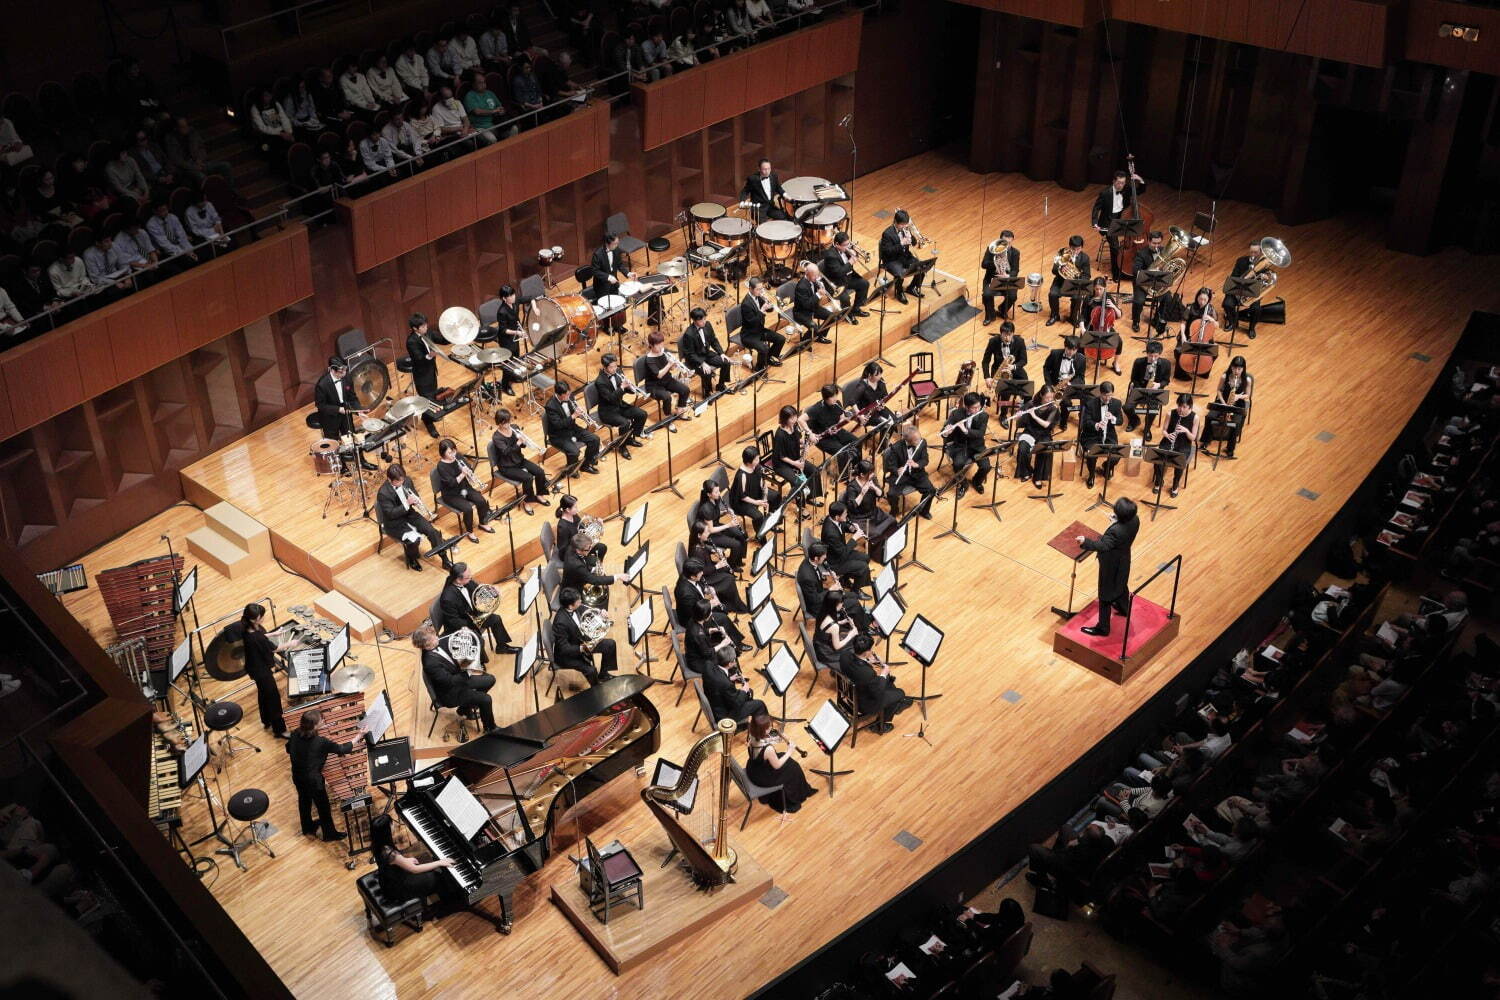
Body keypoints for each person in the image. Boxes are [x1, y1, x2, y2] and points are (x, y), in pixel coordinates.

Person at [221, 603, 294, 737]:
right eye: (261, 616)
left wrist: (274, 633)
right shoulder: (256, 636)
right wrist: (291, 643)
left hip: (253, 667)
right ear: (254, 619)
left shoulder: (245, 626)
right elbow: (274, 648)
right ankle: (280, 730)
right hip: (261, 671)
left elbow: (260, 636)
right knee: (273, 699)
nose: (263, 618)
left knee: (263, 693)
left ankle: (266, 720)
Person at [285, 709, 355, 840]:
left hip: (297, 776)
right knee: (323, 808)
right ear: (315, 725)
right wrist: (359, 736)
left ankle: (307, 827)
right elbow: (343, 749)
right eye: (321, 720)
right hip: (313, 781)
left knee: (304, 800)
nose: (323, 720)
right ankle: (329, 834)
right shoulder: (321, 742)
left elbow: (288, 749)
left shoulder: (294, 733)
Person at [412, 625, 496, 730]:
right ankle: (490, 728)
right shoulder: (430, 663)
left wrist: (463, 633)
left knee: (490, 680)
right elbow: (450, 681)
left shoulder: (437, 644)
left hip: (457, 679)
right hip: (450, 693)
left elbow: (452, 641)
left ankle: (465, 708)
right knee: (486, 699)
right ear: (427, 644)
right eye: (433, 637)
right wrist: (468, 670)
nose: (437, 637)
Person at [1078, 497, 1140, 637]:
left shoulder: (1116, 531)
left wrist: (1085, 541)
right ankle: (1125, 609)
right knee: (1121, 585)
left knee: (1105, 595)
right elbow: (1120, 534)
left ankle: (1103, 628)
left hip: (1111, 564)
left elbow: (1103, 545)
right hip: (1124, 559)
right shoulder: (1135, 520)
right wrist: (1116, 521)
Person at [370, 813, 454, 903]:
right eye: (391, 824)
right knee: (436, 877)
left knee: (427, 867)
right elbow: (415, 870)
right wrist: (440, 862)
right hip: (398, 889)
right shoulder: (390, 853)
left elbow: (394, 863)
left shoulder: (378, 844)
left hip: (387, 881)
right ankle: (446, 904)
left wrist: (405, 860)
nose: (393, 825)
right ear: (386, 831)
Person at [745, 711, 817, 813]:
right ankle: (795, 796)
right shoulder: (768, 750)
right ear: (763, 730)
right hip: (762, 777)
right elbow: (777, 766)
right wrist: (790, 751)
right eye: (769, 727)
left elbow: (760, 744)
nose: (771, 728)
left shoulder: (752, 735)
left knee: (783, 757)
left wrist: (775, 738)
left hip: (753, 768)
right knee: (794, 768)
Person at [378, 464, 444, 571]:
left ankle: (444, 558)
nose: (401, 483)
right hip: (394, 523)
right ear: (389, 479)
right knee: (414, 541)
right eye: (398, 481)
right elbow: (391, 514)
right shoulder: (383, 493)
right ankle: (412, 559)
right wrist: (406, 503)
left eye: (402, 480)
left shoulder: (406, 480)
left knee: (431, 530)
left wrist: (416, 499)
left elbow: (414, 493)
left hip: (410, 514)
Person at [439, 562, 515, 654]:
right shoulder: (448, 598)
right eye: (468, 577)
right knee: (478, 639)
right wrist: (473, 624)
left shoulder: (467, 582)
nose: (471, 578)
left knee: (496, 619)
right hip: (460, 625)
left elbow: (480, 591)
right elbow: (454, 621)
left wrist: (493, 592)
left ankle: (502, 647)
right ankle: (479, 662)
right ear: (458, 580)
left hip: (473, 616)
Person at [841, 634, 908, 732]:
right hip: (865, 703)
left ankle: (892, 706)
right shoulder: (867, 673)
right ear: (865, 652)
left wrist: (867, 661)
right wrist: (884, 673)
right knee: (900, 693)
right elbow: (877, 692)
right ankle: (879, 726)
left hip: (850, 693)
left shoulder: (844, 656)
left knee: (888, 682)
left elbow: (857, 666)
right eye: (870, 649)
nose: (872, 651)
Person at [1091, 165, 1146, 282]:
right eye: (1119, 183)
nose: (1121, 185)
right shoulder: (1105, 193)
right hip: (1108, 222)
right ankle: (1117, 274)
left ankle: (1134, 268)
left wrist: (1139, 180)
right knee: (1115, 247)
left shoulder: (1126, 189)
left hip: (1123, 218)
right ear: (1113, 181)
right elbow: (1096, 208)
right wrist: (1095, 223)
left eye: (1123, 183)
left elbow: (1141, 190)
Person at [489, 409, 549, 514]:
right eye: (504, 423)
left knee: (540, 471)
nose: (508, 424)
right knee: (528, 478)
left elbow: (523, 446)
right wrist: (518, 443)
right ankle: (527, 501)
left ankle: (539, 494)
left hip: (519, 459)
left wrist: (524, 442)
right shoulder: (497, 437)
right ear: (499, 423)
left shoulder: (514, 428)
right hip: (507, 466)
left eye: (508, 421)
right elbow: (506, 452)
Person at [552, 587, 617, 684]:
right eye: (578, 601)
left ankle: (604, 675)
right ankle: (596, 690)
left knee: (610, 644)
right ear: (570, 606)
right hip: (568, 655)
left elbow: (587, 610)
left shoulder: (576, 607)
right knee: (591, 671)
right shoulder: (560, 623)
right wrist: (582, 648)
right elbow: (564, 649)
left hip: (581, 641)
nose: (581, 601)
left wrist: (601, 613)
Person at [435, 439, 495, 541]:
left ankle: (482, 523)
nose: (453, 454)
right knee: (467, 509)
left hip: (464, 488)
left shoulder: (458, 456)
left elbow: (470, 468)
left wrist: (468, 470)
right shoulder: (441, 466)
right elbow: (451, 483)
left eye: (454, 451)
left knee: (481, 500)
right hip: (451, 494)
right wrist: (462, 474)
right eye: (450, 452)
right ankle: (469, 532)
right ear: (443, 453)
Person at [594, 354, 648, 458]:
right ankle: (622, 447)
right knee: (624, 423)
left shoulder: (618, 371)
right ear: (604, 367)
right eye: (611, 367)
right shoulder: (600, 381)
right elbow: (611, 398)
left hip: (620, 405)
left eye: (615, 366)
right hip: (607, 411)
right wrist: (622, 387)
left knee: (642, 414)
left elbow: (625, 390)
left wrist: (631, 388)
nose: (615, 369)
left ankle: (629, 438)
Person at [676, 558, 748, 636]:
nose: (702, 573)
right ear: (693, 577)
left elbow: (698, 587)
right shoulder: (685, 594)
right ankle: (738, 644)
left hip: (698, 607)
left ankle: (720, 635)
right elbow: (695, 614)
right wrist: (710, 604)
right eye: (700, 572)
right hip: (692, 620)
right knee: (723, 618)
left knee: (723, 608)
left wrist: (705, 589)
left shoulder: (688, 575)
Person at [941, 391, 991, 498]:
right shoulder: (957, 414)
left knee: (986, 466)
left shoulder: (983, 416)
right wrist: (946, 433)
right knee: (957, 464)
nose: (978, 409)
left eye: (979, 406)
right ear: (967, 407)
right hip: (960, 446)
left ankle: (977, 481)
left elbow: (980, 433)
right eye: (974, 407)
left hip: (977, 446)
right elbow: (945, 431)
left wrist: (966, 430)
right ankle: (963, 484)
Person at [689, 526, 750, 614]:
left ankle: (726, 599)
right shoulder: (697, 551)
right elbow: (701, 571)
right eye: (706, 532)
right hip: (703, 578)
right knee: (729, 579)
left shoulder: (700, 543)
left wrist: (713, 550)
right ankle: (734, 605)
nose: (708, 533)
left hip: (708, 568)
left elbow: (705, 548)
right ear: (699, 535)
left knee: (726, 569)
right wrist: (717, 566)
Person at [543, 382, 601, 474]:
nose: (568, 396)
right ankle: (571, 470)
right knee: (574, 452)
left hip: (572, 428)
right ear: (559, 395)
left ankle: (585, 465)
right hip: (559, 435)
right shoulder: (550, 406)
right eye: (566, 395)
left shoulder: (570, 396)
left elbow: (574, 411)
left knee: (595, 439)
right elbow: (558, 425)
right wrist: (574, 416)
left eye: (569, 393)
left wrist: (581, 414)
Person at [1079, 381, 1125, 490]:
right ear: (1101, 393)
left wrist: (1113, 418)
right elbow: (1085, 422)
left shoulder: (1117, 403)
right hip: (1092, 435)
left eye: (1110, 395)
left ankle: (1106, 467)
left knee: (1117, 455)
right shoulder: (1090, 404)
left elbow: (1120, 421)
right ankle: (1091, 475)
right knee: (1091, 454)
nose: (1108, 398)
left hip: (1109, 435)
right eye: (1106, 395)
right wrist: (1097, 425)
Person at [404, 313, 443, 438]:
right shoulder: (411, 341)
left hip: (431, 371)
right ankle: (428, 423)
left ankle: (431, 415)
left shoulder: (428, 333)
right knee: (426, 400)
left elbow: (441, 340)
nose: (426, 327)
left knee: (433, 396)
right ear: (415, 328)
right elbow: (419, 358)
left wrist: (452, 335)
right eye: (423, 326)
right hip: (422, 376)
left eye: (426, 324)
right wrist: (429, 355)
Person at [884, 423, 935, 517]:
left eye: (919, 438)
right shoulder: (896, 448)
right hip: (901, 476)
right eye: (916, 440)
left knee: (931, 491)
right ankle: (894, 511)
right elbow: (891, 466)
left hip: (917, 473)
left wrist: (917, 464)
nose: (919, 441)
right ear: (908, 440)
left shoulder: (922, 442)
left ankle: (924, 510)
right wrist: (897, 470)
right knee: (891, 494)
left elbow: (925, 460)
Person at [773, 405, 822, 503]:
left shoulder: (794, 426)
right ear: (785, 419)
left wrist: (806, 443)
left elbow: (797, 439)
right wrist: (796, 464)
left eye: (795, 416)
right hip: (782, 464)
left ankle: (810, 497)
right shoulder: (780, 435)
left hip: (795, 457)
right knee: (798, 483)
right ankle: (801, 507)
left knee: (814, 471)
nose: (795, 419)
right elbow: (781, 456)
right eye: (791, 418)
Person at [680, 307, 734, 397]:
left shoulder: (707, 325)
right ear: (695, 320)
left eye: (705, 318)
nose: (704, 321)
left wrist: (721, 353)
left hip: (706, 353)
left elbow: (714, 340)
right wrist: (702, 363)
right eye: (702, 320)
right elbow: (690, 354)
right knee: (706, 372)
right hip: (695, 359)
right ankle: (707, 393)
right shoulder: (689, 334)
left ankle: (721, 386)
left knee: (726, 362)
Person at [1013, 386, 1059, 488]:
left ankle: (1038, 477)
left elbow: (1046, 425)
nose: (1050, 400)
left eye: (1051, 397)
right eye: (1047, 397)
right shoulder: (1032, 404)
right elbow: (1018, 418)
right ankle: (1027, 471)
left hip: (1044, 433)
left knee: (1044, 450)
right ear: (1041, 395)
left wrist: (1034, 416)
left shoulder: (1053, 408)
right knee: (1022, 448)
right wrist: (1018, 416)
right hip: (1030, 431)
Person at [821, 501, 873, 592]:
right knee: (863, 567)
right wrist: (855, 538)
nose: (846, 515)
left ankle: (845, 579)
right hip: (835, 562)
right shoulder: (831, 534)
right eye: (844, 514)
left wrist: (851, 528)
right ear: (837, 517)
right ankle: (856, 591)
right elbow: (843, 553)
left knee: (866, 558)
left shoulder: (831, 518)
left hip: (840, 552)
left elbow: (841, 525)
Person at [695, 480, 748, 568]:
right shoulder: (706, 509)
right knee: (736, 544)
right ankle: (731, 566)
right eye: (716, 492)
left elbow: (715, 514)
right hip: (709, 535)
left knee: (742, 534)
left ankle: (738, 560)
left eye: (719, 490)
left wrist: (725, 512)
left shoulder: (716, 499)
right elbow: (711, 529)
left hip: (717, 526)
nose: (719, 493)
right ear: (709, 494)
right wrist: (729, 525)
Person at [1125, 338, 1171, 438]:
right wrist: (1140, 389)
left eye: (1156, 356)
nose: (1153, 359)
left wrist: (1158, 385)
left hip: (1155, 392)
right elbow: (1134, 379)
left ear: (1160, 354)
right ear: (1147, 353)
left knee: (1153, 410)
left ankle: (1147, 428)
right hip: (1140, 389)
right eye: (1150, 356)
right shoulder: (1138, 362)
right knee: (1127, 408)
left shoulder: (1166, 364)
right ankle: (1134, 420)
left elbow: (1166, 381)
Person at [1154, 394, 1198, 497]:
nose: (1181, 409)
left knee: (1179, 461)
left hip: (1184, 444)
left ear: (1190, 407)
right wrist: (1168, 435)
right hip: (1169, 441)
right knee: (1158, 457)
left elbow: (1193, 438)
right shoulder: (1170, 413)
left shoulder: (1195, 417)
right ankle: (1158, 481)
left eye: (1184, 407)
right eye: (1179, 406)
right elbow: (1164, 430)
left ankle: (1175, 485)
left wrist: (1186, 431)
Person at [805, 383, 856, 474]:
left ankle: (856, 466)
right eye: (833, 397)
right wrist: (810, 434)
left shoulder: (837, 403)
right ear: (826, 398)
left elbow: (841, 416)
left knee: (856, 441)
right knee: (842, 451)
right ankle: (844, 475)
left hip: (836, 431)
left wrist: (840, 423)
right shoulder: (817, 408)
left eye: (836, 395)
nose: (835, 398)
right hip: (823, 438)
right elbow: (800, 420)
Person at [737, 277, 787, 369]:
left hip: (759, 330)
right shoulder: (746, 304)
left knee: (781, 339)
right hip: (749, 335)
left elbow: (769, 310)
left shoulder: (758, 296)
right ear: (750, 289)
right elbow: (752, 322)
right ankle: (759, 369)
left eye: (761, 289)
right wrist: (762, 310)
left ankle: (767, 359)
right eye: (758, 289)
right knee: (764, 348)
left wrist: (769, 304)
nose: (760, 291)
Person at [878, 209, 926, 304]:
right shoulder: (887, 233)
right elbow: (887, 252)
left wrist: (911, 238)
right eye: (902, 224)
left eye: (906, 224)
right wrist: (901, 243)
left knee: (922, 268)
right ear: (895, 222)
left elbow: (914, 243)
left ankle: (911, 288)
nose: (904, 226)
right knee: (900, 274)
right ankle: (899, 293)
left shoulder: (905, 229)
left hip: (905, 256)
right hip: (892, 260)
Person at [640, 330, 694, 414]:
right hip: (654, 385)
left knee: (685, 390)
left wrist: (674, 365)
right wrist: (669, 364)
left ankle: (680, 409)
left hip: (667, 380)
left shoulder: (663, 351)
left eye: (662, 344)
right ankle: (667, 418)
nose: (661, 347)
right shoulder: (649, 359)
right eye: (658, 345)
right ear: (651, 345)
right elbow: (659, 375)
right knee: (667, 397)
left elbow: (670, 369)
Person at [842, 460, 896, 544]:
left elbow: (880, 494)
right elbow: (852, 506)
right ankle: (877, 552)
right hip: (860, 518)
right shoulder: (852, 487)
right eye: (870, 473)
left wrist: (874, 487)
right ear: (862, 475)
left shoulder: (872, 479)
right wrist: (862, 493)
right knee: (877, 533)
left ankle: (887, 546)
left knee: (892, 521)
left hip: (873, 512)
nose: (873, 474)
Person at [562, 530, 625, 602]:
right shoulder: (576, 565)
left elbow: (583, 561)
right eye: (588, 549)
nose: (590, 549)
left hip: (577, 574)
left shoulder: (573, 547)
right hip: (573, 588)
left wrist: (592, 569)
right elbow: (593, 580)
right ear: (578, 550)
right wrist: (617, 577)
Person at [729, 446, 780, 532]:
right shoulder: (742, 475)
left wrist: (765, 490)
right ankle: (760, 537)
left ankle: (771, 521)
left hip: (755, 491)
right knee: (758, 516)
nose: (758, 461)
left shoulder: (756, 466)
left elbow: (760, 479)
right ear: (749, 462)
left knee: (776, 496)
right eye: (756, 459)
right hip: (741, 502)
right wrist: (757, 502)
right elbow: (742, 496)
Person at [822, 231, 871, 318]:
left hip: (847, 278)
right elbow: (838, 272)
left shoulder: (844, 249)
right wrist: (850, 262)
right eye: (845, 245)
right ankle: (847, 314)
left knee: (864, 284)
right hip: (837, 283)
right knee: (845, 298)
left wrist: (854, 254)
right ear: (837, 244)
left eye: (848, 244)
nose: (848, 247)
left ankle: (856, 309)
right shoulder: (830, 255)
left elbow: (851, 258)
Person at [1042, 336, 1086, 431]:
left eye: (1074, 350)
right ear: (1065, 346)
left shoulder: (1081, 359)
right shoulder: (1055, 354)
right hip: (1055, 384)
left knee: (1067, 403)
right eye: (1069, 349)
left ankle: (1063, 421)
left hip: (1068, 387)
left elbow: (1081, 377)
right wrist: (1050, 385)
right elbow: (1046, 368)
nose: (1071, 352)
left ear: (1077, 349)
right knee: (1046, 400)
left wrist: (1070, 384)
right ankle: (1048, 422)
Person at [1223, 240, 1265, 338]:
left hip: (1252, 293)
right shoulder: (1241, 261)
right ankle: (1233, 323)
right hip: (1237, 290)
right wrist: (1243, 279)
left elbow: (1266, 281)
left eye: (1256, 252)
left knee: (1256, 309)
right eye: (1251, 252)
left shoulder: (1263, 264)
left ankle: (1251, 328)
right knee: (1227, 304)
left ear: (1261, 252)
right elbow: (1233, 276)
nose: (1253, 254)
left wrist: (1265, 277)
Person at [1212, 355, 1251, 458]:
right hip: (1223, 401)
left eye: (1239, 369)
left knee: (1236, 423)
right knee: (1209, 417)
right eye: (1234, 368)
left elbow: (1248, 395)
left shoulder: (1247, 380)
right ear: (1231, 367)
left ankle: (1230, 449)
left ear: (1243, 368)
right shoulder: (1225, 376)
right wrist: (1223, 403)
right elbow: (1219, 390)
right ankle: (1205, 441)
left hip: (1238, 404)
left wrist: (1239, 396)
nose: (1236, 371)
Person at [1175, 286, 1219, 378]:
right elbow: (1183, 323)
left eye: (1205, 300)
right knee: (1180, 351)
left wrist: (1211, 319)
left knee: (1214, 353)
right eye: (1200, 299)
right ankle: (1182, 373)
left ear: (1208, 299)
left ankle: (1203, 371)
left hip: (1205, 336)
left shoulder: (1211, 309)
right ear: (1197, 297)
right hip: (1189, 334)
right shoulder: (1190, 307)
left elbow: (1217, 326)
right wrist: (1183, 335)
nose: (1202, 302)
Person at [1047, 235, 1091, 326]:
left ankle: (1073, 317)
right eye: (1073, 249)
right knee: (1052, 294)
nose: (1075, 251)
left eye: (1078, 249)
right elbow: (1053, 271)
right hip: (1060, 282)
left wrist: (1076, 278)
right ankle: (1055, 315)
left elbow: (1087, 276)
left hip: (1074, 285)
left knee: (1078, 297)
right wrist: (1061, 268)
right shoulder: (1063, 253)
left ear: (1082, 247)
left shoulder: (1085, 258)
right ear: (1069, 246)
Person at [980, 230, 1020, 325]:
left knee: (1013, 296)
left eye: (1010, 242)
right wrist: (996, 263)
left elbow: (1015, 270)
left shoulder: (1015, 253)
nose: (1007, 245)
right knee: (987, 295)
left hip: (1007, 279)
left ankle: (1002, 309)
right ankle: (990, 315)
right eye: (1005, 242)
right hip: (992, 278)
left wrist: (1008, 276)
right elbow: (984, 264)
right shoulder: (991, 249)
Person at [312, 355, 357, 441]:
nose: (344, 374)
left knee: (351, 440)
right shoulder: (322, 385)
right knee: (333, 444)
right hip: (330, 418)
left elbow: (352, 397)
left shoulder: (347, 377)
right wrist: (338, 409)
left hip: (345, 414)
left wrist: (359, 411)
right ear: (332, 370)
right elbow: (320, 405)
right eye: (341, 372)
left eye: (345, 371)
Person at [1129, 229, 1165, 331]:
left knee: (1168, 298)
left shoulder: (1164, 251)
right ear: (1149, 241)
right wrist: (1150, 271)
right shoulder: (1141, 253)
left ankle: (1157, 319)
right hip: (1143, 283)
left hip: (1158, 283)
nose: (1156, 246)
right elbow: (1136, 271)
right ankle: (1135, 321)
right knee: (1139, 301)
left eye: (1159, 243)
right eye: (1154, 243)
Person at [792, 261, 837, 332]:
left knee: (831, 317)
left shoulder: (813, 280)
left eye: (817, 275)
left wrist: (823, 287)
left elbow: (814, 299)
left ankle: (820, 335)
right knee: (814, 327)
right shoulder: (801, 287)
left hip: (813, 307)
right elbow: (806, 305)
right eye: (814, 275)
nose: (816, 277)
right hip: (801, 312)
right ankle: (806, 341)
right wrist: (818, 294)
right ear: (807, 274)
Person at [740, 157, 787, 222]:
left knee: (783, 217)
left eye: (769, 169)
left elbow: (778, 188)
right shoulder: (753, 179)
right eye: (764, 169)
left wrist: (785, 195)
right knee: (763, 226)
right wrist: (742, 201)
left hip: (770, 206)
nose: (767, 171)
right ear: (759, 169)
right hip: (759, 209)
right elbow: (745, 191)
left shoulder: (773, 176)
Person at [462, 72, 502, 143]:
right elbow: (477, 111)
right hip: (479, 127)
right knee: (492, 139)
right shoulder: (470, 96)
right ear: (473, 84)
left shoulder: (490, 93)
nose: (483, 84)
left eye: (484, 82)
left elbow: (500, 107)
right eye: (480, 83)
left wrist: (501, 111)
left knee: (514, 129)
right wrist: (493, 111)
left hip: (494, 123)